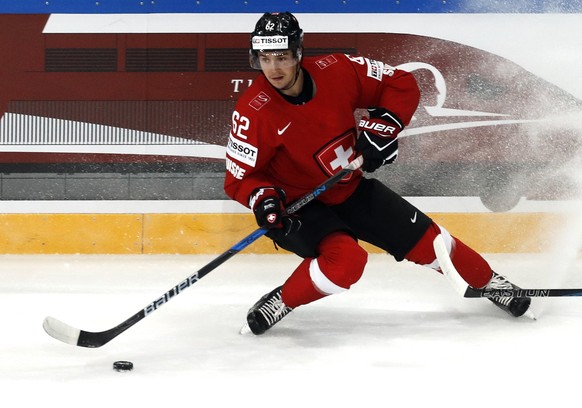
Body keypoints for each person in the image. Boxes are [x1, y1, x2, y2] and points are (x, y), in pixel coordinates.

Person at [224, 12, 532, 335]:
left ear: (298, 52)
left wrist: (381, 130)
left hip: (350, 189)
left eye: (282, 57)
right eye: (265, 58)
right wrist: (264, 200)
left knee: (434, 241)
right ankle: (284, 299)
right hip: (300, 207)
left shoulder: (338, 70)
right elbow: (239, 179)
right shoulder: (252, 112)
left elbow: (401, 84)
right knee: (346, 262)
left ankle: (491, 283)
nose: (273, 68)